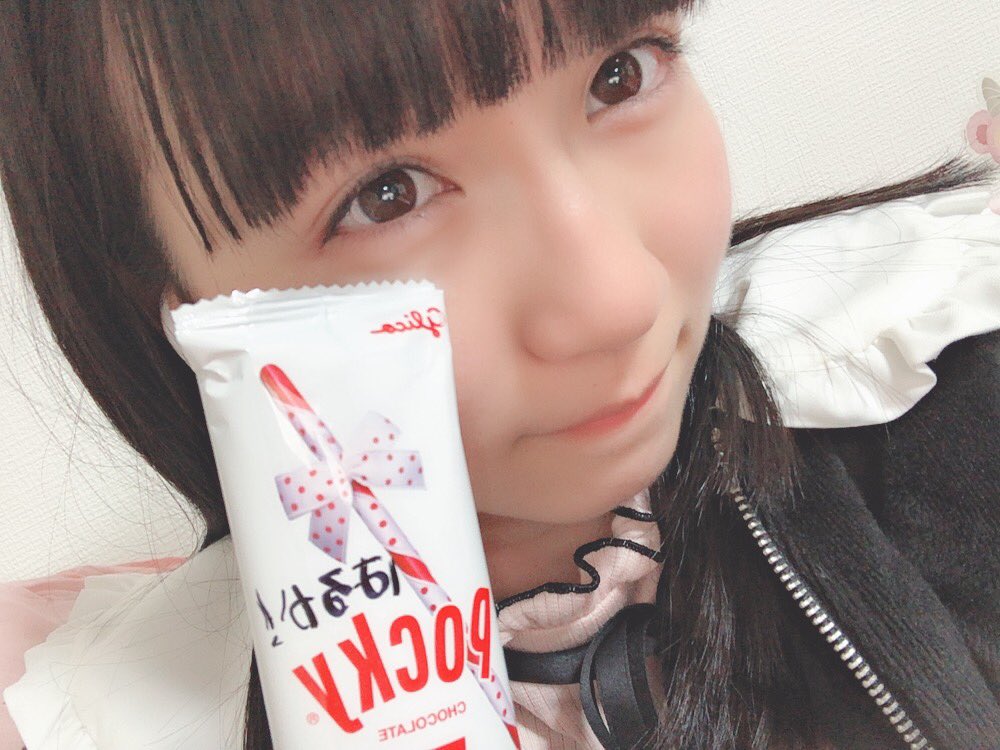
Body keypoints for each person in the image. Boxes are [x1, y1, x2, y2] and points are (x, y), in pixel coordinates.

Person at [0, 2, 998, 748]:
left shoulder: (945, 384)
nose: (619, 298)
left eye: (620, 75)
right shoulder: (88, 713)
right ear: (184, 308)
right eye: (387, 196)